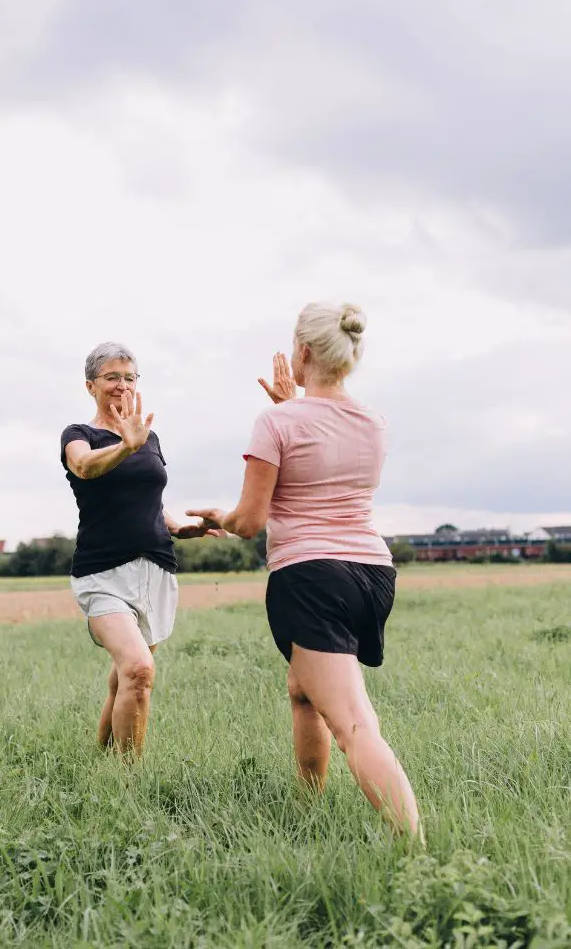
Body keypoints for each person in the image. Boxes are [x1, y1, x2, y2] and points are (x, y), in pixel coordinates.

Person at [187, 303, 422, 839]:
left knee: (355, 726)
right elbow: (327, 454)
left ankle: (418, 853)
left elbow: (248, 522)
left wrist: (212, 518)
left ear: (304, 352)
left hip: (311, 577)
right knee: (303, 688)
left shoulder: (275, 422)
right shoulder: (374, 422)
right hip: (372, 575)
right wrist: (292, 408)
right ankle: (308, 809)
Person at [61, 341, 218, 756]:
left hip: (155, 567)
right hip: (102, 572)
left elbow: (151, 501)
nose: (121, 385)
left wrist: (184, 529)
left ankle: (102, 762)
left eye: (129, 378)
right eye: (112, 377)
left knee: (124, 678)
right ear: (91, 385)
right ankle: (129, 786)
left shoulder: (149, 437)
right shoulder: (79, 435)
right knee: (139, 669)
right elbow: (84, 466)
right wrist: (125, 446)